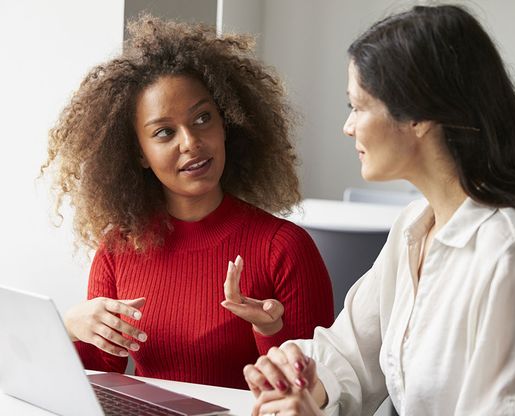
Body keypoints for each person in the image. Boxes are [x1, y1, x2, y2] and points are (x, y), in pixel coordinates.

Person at [244, 4, 515, 415]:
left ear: (418, 117)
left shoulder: (514, 251)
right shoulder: (414, 226)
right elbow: (350, 354)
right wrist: (298, 376)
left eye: (357, 106)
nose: (348, 126)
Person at [42, 15, 334, 389]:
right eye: (164, 132)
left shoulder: (284, 248)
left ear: (225, 124)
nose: (190, 142)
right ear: (140, 154)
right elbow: (96, 381)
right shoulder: (117, 250)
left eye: (202, 118)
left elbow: (313, 394)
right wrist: (71, 327)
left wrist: (269, 329)